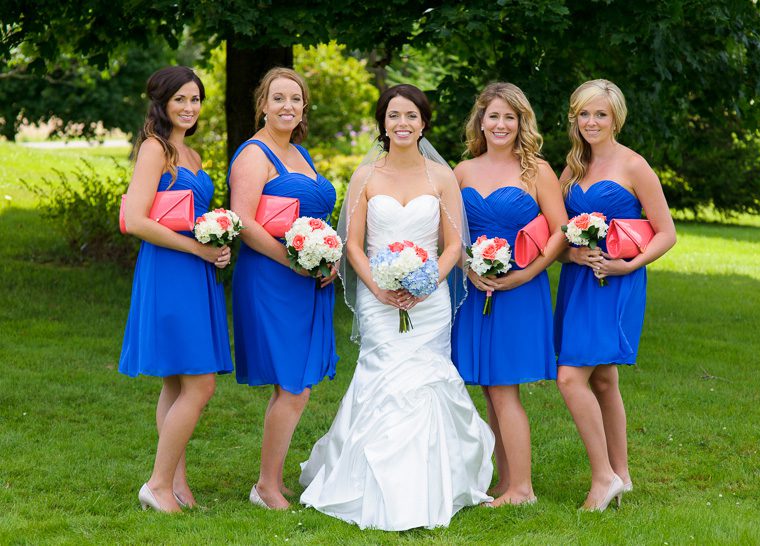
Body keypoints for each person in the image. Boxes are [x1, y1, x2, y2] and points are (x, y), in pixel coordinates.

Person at [299, 84, 494, 531]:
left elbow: (453, 246)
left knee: (427, 382)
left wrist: (426, 284)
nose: (402, 123)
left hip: (430, 301)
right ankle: (365, 483)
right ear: (383, 124)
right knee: (382, 378)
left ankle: (434, 485)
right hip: (378, 297)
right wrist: (378, 288)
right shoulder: (366, 177)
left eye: (410, 115)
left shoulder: (441, 177)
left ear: (423, 123)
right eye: (393, 115)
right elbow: (353, 244)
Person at [553, 79, 676, 511]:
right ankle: (621, 475)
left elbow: (667, 233)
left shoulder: (634, 165)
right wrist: (571, 254)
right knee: (603, 378)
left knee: (570, 378)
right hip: (579, 280)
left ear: (615, 118)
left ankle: (602, 477)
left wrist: (629, 264)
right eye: (584, 114)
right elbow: (556, 233)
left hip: (617, 280)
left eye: (600, 114)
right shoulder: (572, 167)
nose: (591, 122)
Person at [119, 66, 233, 513]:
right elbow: (135, 219)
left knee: (176, 380)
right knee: (200, 384)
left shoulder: (192, 154)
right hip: (169, 270)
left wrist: (216, 244)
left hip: (194, 270)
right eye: (180, 99)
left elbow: (187, 215)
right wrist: (196, 249)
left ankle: (178, 487)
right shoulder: (155, 149)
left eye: (195, 99)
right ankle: (157, 483)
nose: (189, 107)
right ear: (162, 102)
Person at [451, 82, 567, 506]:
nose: (501, 124)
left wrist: (526, 275)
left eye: (509, 117)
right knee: (488, 386)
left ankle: (522, 489)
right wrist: (468, 267)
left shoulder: (537, 171)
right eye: (493, 116)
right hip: (476, 289)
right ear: (480, 121)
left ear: (521, 122)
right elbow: (451, 233)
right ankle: (505, 481)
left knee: (504, 388)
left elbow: (560, 231)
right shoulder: (462, 171)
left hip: (520, 289)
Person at [228, 67, 338, 510]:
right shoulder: (254, 154)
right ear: (263, 105)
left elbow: (312, 218)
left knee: (295, 383)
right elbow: (243, 221)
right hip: (272, 278)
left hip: (306, 279)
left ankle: (272, 479)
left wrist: (327, 256)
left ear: (304, 106)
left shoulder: (299, 153)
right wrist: (295, 261)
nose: (287, 106)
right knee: (293, 385)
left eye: (295, 98)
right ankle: (266, 487)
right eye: (278, 98)